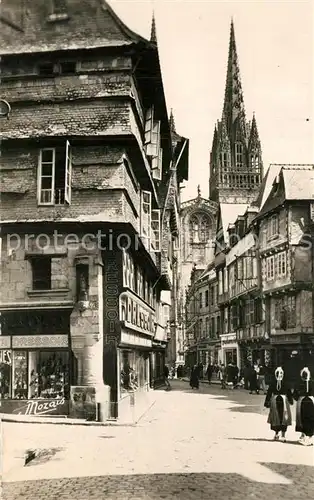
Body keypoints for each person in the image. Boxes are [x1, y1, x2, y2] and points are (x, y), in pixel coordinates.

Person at [264, 366, 293, 442]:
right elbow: (289, 393)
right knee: (282, 417)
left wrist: (267, 402)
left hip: (276, 401)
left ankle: (277, 434)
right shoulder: (286, 383)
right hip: (283, 401)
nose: (279, 375)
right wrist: (290, 400)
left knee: (278, 417)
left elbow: (269, 393)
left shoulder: (273, 383)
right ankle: (281, 435)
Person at [294, 367, 314, 446]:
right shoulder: (300, 383)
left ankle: (309, 435)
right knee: (303, 418)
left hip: (309, 403)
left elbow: (295, 395)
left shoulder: (311, 383)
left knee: (309, 418)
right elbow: (295, 394)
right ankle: (304, 435)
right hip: (303, 403)